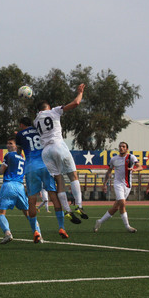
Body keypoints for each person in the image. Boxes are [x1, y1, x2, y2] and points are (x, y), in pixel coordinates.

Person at [33, 84, 89, 222]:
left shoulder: (36, 120)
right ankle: (79, 206)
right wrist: (80, 92)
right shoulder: (54, 111)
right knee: (73, 175)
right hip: (58, 145)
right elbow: (76, 103)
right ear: (48, 106)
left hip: (46, 152)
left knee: (59, 180)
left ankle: (67, 210)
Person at [16, 117, 66, 241]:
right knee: (53, 196)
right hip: (46, 165)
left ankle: (36, 231)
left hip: (31, 168)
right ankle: (61, 227)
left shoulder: (20, 134)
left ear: (22, 125)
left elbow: (18, 152)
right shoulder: (40, 130)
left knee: (32, 200)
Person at [94, 142, 143, 233]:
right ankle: (128, 226)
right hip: (118, 184)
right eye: (120, 146)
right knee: (122, 203)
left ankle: (99, 221)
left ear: (127, 149)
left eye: (123, 146)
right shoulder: (113, 159)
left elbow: (140, 167)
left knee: (116, 207)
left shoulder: (131, 157)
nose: (121, 148)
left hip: (128, 185)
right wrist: (104, 183)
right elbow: (109, 172)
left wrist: (134, 169)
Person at [0, 138, 30, 244]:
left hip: (9, 185)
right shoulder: (23, 158)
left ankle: (7, 234)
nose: (8, 145)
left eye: (11, 143)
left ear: (16, 146)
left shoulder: (8, 155)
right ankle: (38, 232)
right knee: (27, 212)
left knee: (0, 212)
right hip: (20, 186)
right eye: (7, 143)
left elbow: (2, 170)